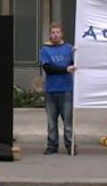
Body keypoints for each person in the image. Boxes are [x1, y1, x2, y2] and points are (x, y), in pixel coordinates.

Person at [40, 22, 76, 155]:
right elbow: (47, 68)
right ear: (49, 34)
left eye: (57, 32)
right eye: (53, 32)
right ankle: (52, 145)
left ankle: (70, 145)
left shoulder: (69, 48)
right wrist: (66, 69)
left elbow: (75, 63)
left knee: (68, 122)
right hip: (51, 90)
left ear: (62, 34)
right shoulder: (45, 49)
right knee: (51, 122)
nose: (55, 35)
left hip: (67, 89)